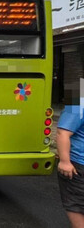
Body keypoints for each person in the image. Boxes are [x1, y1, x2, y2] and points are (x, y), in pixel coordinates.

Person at [56, 84, 84, 227]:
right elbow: (63, 133)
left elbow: (63, 132)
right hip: (79, 166)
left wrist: (65, 162)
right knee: (77, 206)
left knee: (77, 206)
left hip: (79, 165)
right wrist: (65, 161)